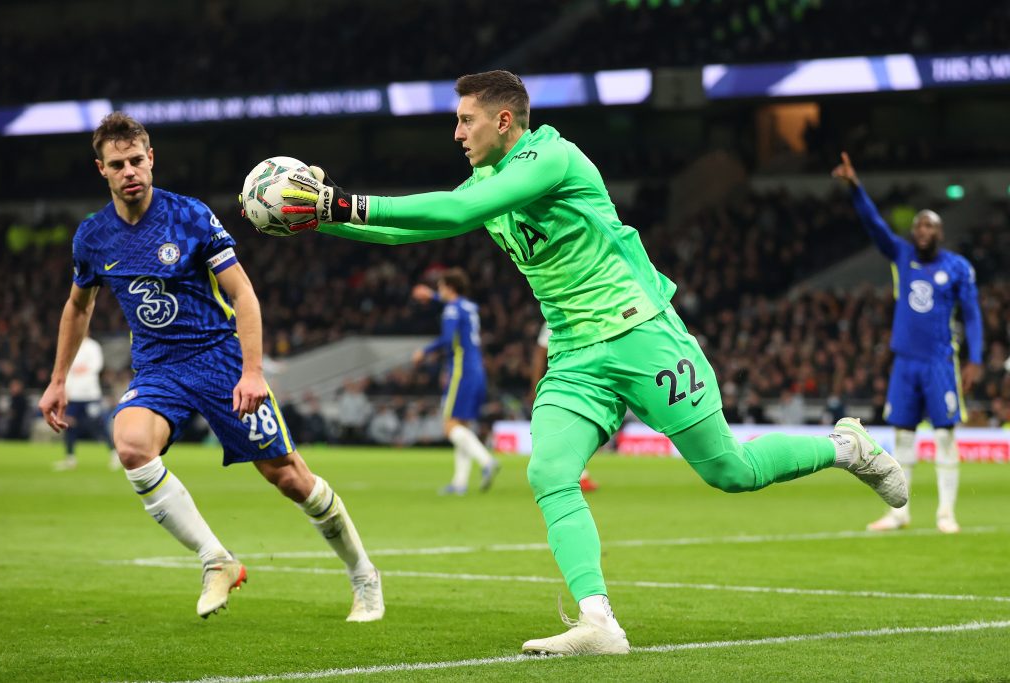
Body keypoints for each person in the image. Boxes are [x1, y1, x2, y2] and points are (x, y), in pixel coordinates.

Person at [272, 70, 906, 655]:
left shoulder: (551, 156)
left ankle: (845, 447)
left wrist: (339, 204)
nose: (456, 132)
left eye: (466, 119)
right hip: (576, 356)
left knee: (730, 473)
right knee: (549, 469)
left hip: (642, 333)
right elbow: (421, 226)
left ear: (504, 122)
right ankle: (598, 620)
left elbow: (455, 212)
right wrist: (319, 220)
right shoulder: (488, 179)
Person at [37, 112, 383, 621]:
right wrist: (57, 379)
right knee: (131, 445)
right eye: (118, 164)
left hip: (219, 360)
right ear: (102, 170)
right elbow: (77, 307)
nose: (130, 170)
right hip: (158, 369)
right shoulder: (92, 237)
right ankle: (216, 559)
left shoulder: (190, 217)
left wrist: (252, 370)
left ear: (151, 159)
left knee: (288, 478)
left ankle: (363, 575)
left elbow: (242, 293)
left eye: (137, 160)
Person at [832, 152, 983, 534]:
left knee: (946, 435)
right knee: (902, 436)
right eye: (918, 226)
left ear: (940, 233)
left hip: (939, 362)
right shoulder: (902, 255)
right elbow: (875, 225)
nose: (922, 231)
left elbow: (973, 315)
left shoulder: (956, 267)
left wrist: (976, 358)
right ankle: (899, 512)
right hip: (905, 362)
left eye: (930, 226)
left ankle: (946, 512)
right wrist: (856, 188)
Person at [411, 268, 501, 494]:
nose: (438, 291)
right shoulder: (470, 307)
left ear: (449, 288)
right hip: (477, 370)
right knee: (462, 427)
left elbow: (447, 338)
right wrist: (431, 296)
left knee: (449, 425)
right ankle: (459, 483)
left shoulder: (451, 309)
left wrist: (424, 351)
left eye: (440, 287)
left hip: (461, 371)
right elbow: (454, 307)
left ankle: (487, 461)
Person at [533, 323, 598, 492]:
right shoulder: (554, 317)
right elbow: (540, 352)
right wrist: (534, 385)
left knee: (569, 428)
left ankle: (574, 474)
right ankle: (575, 476)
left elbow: (540, 352)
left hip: (580, 379)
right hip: (564, 380)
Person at [52, 336, 119, 471]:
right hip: (74, 396)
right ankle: (70, 459)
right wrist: (66, 391)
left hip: (90, 395)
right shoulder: (69, 346)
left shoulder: (93, 346)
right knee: (68, 426)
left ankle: (115, 455)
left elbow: (97, 365)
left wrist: (84, 368)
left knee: (98, 426)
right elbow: (66, 370)